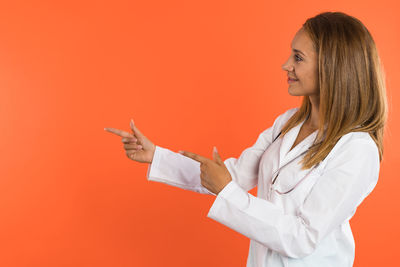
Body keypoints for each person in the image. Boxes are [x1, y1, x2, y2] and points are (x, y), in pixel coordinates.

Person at [104, 11, 388, 267]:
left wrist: (227, 193)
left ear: (332, 67)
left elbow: (302, 237)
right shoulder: (287, 123)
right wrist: (157, 156)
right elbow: (232, 175)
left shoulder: (357, 150)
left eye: (298, 58)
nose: (285, 65)